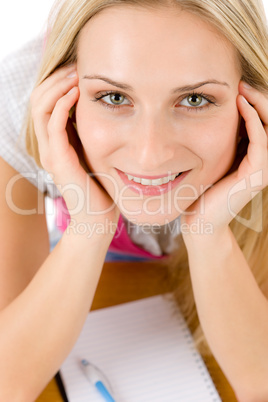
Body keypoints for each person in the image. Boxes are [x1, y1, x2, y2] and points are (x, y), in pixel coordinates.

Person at [0, 0, 267, 399]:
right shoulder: (15, 108)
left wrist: (208, 232)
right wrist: (90, 226)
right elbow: (8, 382)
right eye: (113, 97)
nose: (150, 154)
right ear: (67, 102)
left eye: (194, 99)